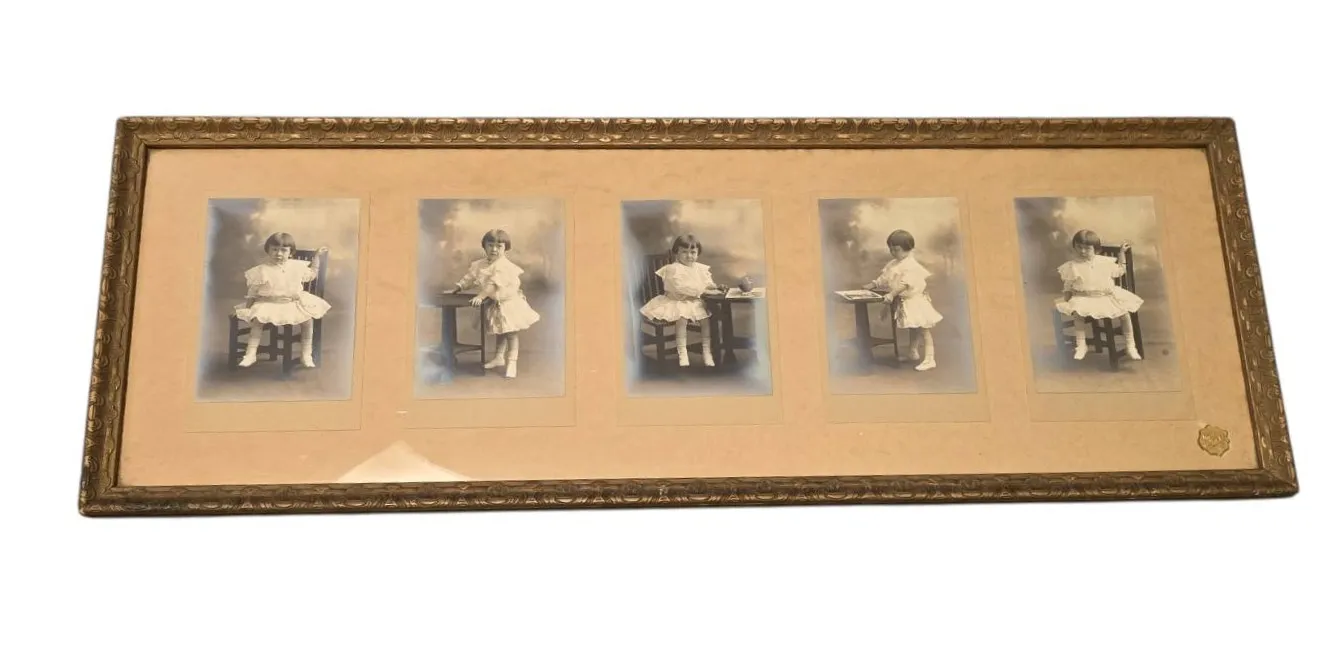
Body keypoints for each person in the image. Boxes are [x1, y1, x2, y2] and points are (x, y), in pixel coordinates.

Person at [449, 229, 541, 379]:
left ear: (505, 248)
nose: (494, 249)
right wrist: (459, 287)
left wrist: (480, 296)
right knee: (500, 330)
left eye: (499, 246)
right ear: (484, 246)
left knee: (511, 333)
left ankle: (512, 362)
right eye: (490, 245)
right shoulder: (480, 264)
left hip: (509, 303)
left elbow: (492, 285)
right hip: (495, 302)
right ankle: (499, 358)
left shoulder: (503, 266)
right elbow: (470, 278)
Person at [234, 232, 331, 368]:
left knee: (307, 321)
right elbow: (253, 292)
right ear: (268, 250)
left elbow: (312, 274)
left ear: (291, 252)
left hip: (292, 303)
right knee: (257, 322)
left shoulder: (297, 267)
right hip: (269, 303)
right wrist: (248, 309)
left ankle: (306, 354)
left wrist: (316, 257)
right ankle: (250, 354)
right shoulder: (262, 270)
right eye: (274, 249)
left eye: (284, 250)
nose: (279, 254)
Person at [1054, 229, 1144, 361]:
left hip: (1106, 296)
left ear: (1095, 249)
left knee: (1124, 314)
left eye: (1087, 248)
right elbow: (1068, 283)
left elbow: (1120, 271)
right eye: (1079, 247)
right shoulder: (1072, 266)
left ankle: (1130, 345)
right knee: (1078, 314)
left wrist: (1121, 254)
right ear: (1074, 246)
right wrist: (1067, 297)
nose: (1082, 251)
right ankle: (1081, 345)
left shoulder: (1105, 262)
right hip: (1084, 297)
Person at [639, 234, 727, 367]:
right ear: (676, 253)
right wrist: (704, 291)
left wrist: (715, 287)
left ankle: (706, 351)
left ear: (698, 253)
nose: (689, 256)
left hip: (693, 302)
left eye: (693, 252)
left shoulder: (699, 268)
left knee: (706, 319)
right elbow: (680, 288)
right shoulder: (673, 269)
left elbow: (707, 283)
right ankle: (682, 353)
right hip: (675, 301)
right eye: (684, 252)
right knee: (682, 317)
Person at [863, 229, 943, 371]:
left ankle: (930, 359)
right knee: (914, 327)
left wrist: (891, 294)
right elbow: (885, 277)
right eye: (891, 249)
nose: (893, 252)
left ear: (908, 248)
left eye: (896, 249)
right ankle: (913, 352)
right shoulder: (893, 264)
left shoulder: (911, 265)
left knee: (924, 329)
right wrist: (873, 284)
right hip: (906, 301)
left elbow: (905, 284)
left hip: (916, 301)